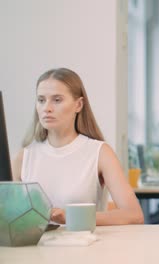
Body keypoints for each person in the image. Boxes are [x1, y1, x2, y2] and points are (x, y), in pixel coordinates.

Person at [12, 68, 144, 225]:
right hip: (34, 248)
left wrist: (73, 217)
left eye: (57, 100)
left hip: (84, 247)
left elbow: (134, 215)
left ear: (78, 105)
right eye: (41, 100)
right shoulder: (24, 157)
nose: (47, 108)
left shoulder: (100, 153)